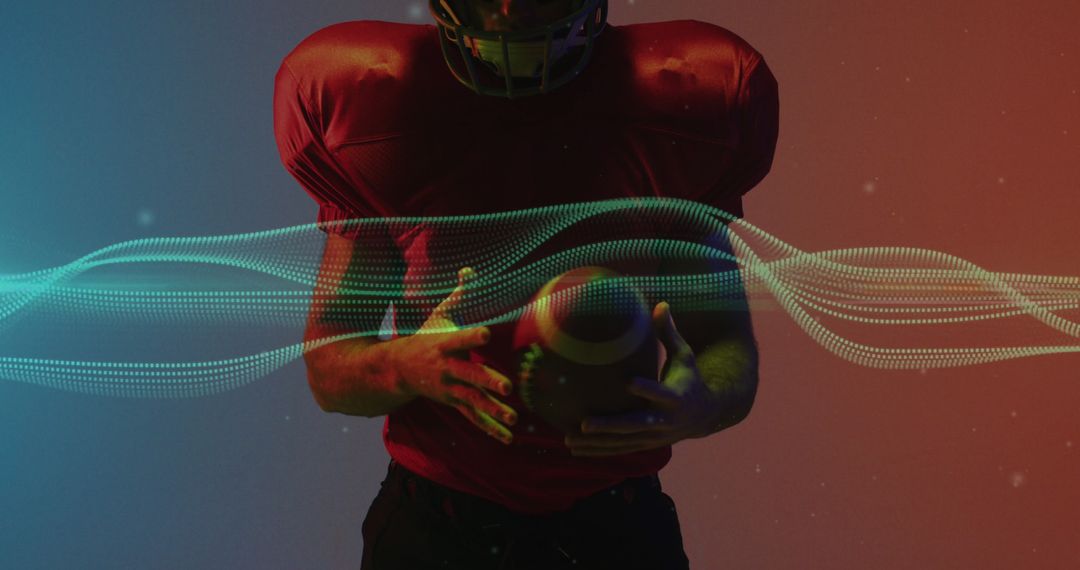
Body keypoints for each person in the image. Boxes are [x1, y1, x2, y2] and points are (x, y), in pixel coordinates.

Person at [273, 0, 778, 567]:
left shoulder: (688, 101)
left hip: (613, 522)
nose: (510, 12)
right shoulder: (372, 104)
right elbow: (329, 367)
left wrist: (700, 401)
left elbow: (726, 345)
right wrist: (405, 365)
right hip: (438, 523)